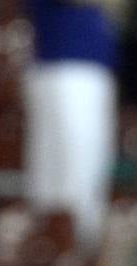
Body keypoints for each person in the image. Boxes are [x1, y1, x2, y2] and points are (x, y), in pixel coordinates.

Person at [23, 0, 125, 251]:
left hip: (91, 65)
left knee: (89, 168)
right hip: (66, 68)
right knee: (73, 171)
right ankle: (66, 254)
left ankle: (79, 252)